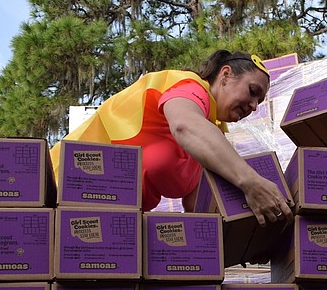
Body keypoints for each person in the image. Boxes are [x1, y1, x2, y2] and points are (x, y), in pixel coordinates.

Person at [49, 50, 293, 224]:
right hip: (64, 189)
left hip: (106, 220)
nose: (253, 106)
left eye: (259, 102)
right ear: (226, 75)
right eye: (252, 92)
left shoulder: (210, 141)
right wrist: (251, 182)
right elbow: (185, 126)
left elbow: (200, 210)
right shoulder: (187, 87)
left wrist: (248, 240)